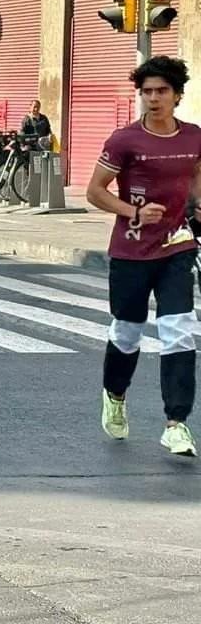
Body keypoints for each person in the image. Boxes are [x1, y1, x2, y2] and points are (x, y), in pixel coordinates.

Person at [86, 56, 201, 457]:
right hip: (131, 251)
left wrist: (197, 205)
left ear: (177, 96)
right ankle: (115, 394)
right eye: (147, 91)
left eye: (161, 91)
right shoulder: (125, 140)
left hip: (176, 248)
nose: (153, 98)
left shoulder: (193, 137)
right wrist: (133, 211)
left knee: (179, 331)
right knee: (127, 333)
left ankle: (177, 423)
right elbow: (95, 191)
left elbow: (196, 176)